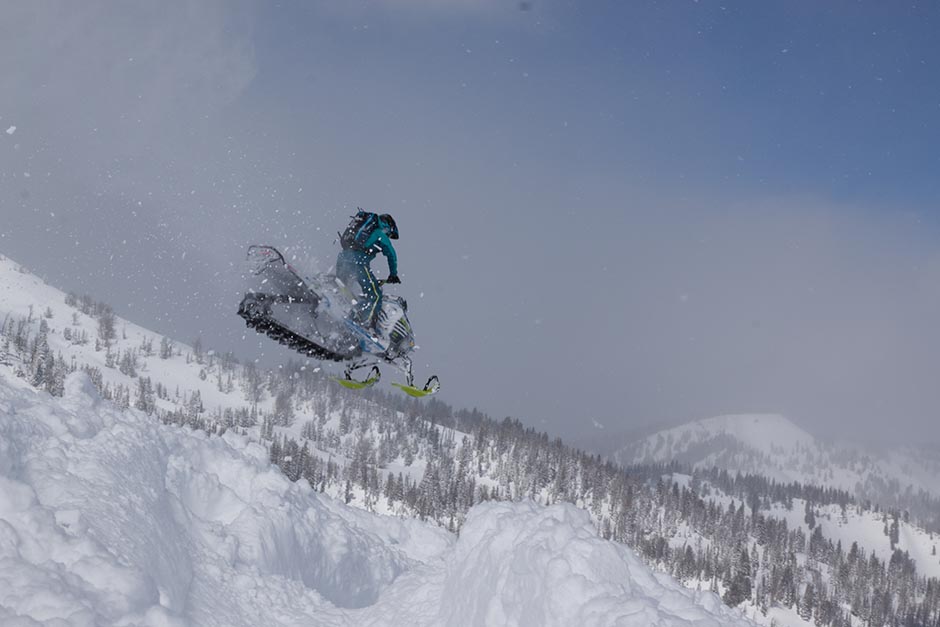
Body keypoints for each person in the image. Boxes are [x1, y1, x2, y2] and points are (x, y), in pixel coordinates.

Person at [336, 210, 400, 332]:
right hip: (358, 261)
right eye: (390, 234)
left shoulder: (363, 230)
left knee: (343, 289)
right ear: (388, 227)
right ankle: (362, 323)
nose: (389, 237)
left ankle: (338, 314)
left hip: (343, 257)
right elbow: (391, 254)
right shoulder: (379, 233)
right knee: (375, 296)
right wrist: (393, 274)